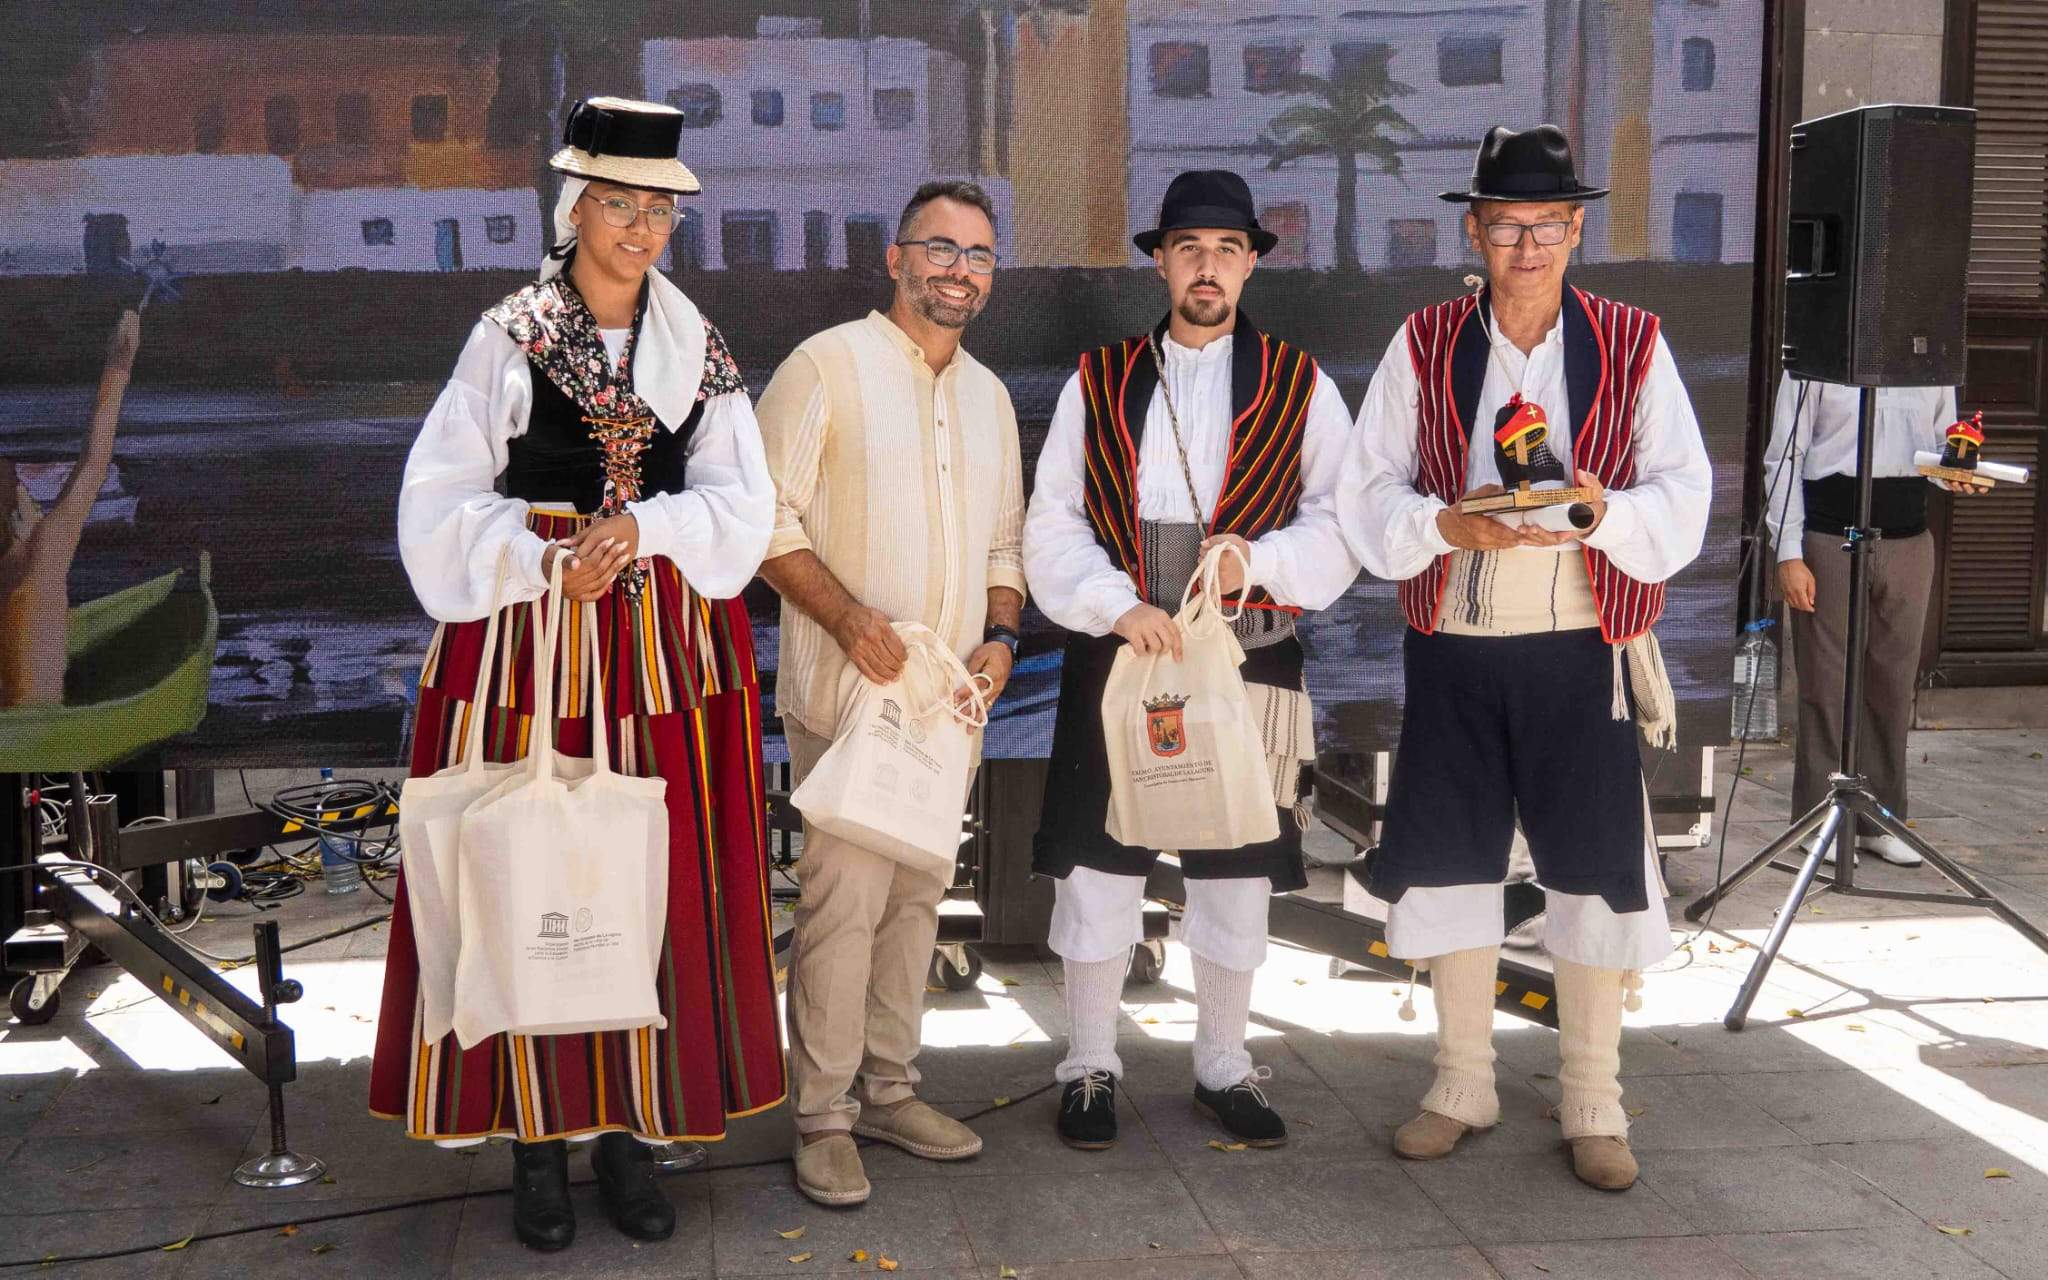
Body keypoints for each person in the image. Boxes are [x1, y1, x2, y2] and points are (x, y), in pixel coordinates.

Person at [368, 97, 784, 1251]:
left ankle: (627, 1133)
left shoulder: (695, 345)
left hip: (660, 650)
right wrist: (541, 551)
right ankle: (534, 1146)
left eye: (659, 208)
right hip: (527, 640)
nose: (643, 228)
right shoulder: (509, 333)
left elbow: (742, 507)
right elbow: (438, 503)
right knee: (524, 866)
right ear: (576, 208)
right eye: (622, 205)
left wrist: (640, 531)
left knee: (647, 874)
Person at [1338, 125, 1711, 1191]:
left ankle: (1593, 1095)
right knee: (1452, 859)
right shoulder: (1423, 341)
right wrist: (1446, 529)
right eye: (1504, 225)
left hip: (1577, 639)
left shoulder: (1633, 342)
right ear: (1474, 229)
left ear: (1575, 229)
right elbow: (1365, 495)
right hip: (1454, 638)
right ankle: (1461, 1079)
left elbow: (1681, 499)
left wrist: (1596, 510)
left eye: (1545, 225)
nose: (1525, 243)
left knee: (1592, 868)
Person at [1025, 169, 1359, 1152]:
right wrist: (1115, 604)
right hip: (1122, 649)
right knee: (1095, 867)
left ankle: (1219, 1063)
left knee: (1234, 872)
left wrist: (1253, 559)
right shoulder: (1101, 378)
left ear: (1250, 261)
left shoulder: (1303, 385)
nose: (1205, 265)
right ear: (1161, 261)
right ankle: (1088, 1060)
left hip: (1247, 652)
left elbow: (1340, 527)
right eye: (1187, 247)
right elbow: (1049, 519)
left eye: (1225, 248)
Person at [756, 180, 1025, 1207]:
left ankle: (889, 1088)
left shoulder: (991, 396)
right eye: (940, 248)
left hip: (945, 705)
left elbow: (1003, 542)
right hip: (850, 692)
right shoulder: (826, 365)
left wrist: (1000, 638)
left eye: (978, 255)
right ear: (895, 259)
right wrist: (851, 621)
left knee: (916, 901)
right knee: (843, 904)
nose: (959, 268)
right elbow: (764, 522)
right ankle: (822, 1117)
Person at [1764, 375, 1986, 866]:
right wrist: (1788, 552)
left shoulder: (1933, 362)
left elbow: (1934, 451)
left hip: (1908, 537)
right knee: (1826, 681)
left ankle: (1880, 819)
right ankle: (1816, 818)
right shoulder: (1816, 360)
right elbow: (1784, 456)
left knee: (1892, 682)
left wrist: (1955, 471)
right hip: (1828, 535)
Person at [2, 309, 140, 707]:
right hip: (39, 725)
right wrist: (120, 362)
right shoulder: (45, 548)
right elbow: (94, 465)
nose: (30, 494)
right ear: (18, 515)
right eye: (23, 489)